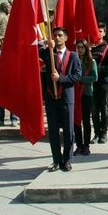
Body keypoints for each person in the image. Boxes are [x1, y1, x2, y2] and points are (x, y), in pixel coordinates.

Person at [39, 27, 81, 172]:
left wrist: (61, 78)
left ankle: (67, 160)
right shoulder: (48, 54)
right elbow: (32, 49)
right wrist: (44, 42)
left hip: (66, 98)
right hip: (51, 98)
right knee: (53, 131)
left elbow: (77, 76)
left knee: (69, 131)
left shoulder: (73, 56)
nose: (57, 38)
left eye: (60, 35)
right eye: (55, 35)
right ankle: (56, 160)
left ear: (66, 38)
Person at [91, 22, 108, 144]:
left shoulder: (107, 48)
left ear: (104, 33)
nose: (98, 33)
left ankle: (104, 133)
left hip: (104, 82)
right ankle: (96, 133)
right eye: (96, 30)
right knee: (94, 108)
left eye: (100, 31)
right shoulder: (90, 47)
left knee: (104, 107)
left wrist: (95, 70)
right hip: (92, 83)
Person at [74, 39, 97, 156]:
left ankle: (86, 145)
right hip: (75, 94)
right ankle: (78, 145)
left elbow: (94, 77)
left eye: (82, 47)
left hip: (87, 94)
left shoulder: (91, 61)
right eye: (78, 47)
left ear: (86, 48)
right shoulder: (73, 60)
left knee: (86, 121)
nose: (80, 49)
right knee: (76, 121)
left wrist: (81, 79)